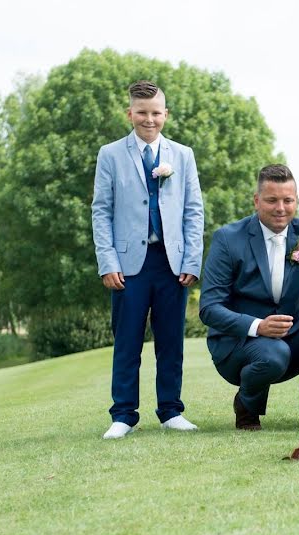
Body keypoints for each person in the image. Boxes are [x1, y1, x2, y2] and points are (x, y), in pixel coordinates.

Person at [199, 164, 299, 431]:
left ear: (296, 200)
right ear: (257, 200)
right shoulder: (228, 238)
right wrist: (257, 326)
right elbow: (209, 308)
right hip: (238, 346)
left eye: (288, 200)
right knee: (274, 354)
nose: (281, 208)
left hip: (290, 339)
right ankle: (246, 405)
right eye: (272, 200)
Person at [92, 80, 204, 439]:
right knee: (127, 341)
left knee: (171, 341)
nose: (149, 119)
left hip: (172, 263)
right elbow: (101, 211)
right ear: (130, 113)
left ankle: (171, 410)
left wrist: (192, 260)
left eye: (156, 113)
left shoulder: (182, 155)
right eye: (142, 113)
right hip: (128, 265)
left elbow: (193, 211)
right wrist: (107, 261)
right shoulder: (110, 155)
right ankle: (123, 414)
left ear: (165, 114)